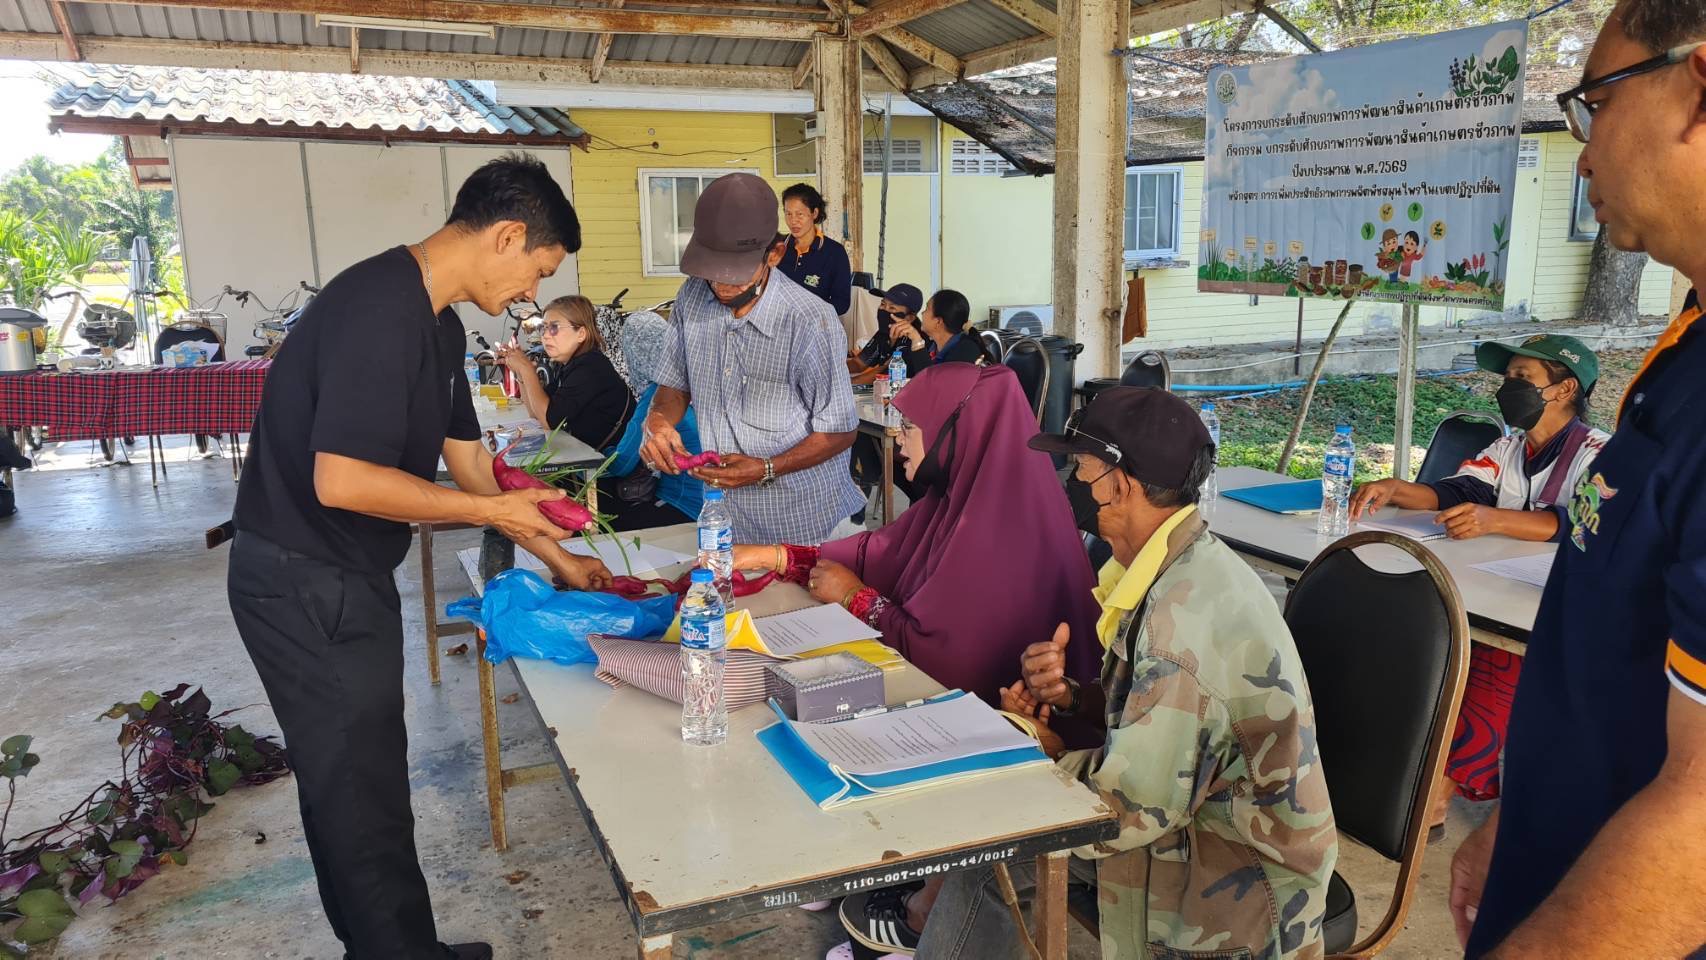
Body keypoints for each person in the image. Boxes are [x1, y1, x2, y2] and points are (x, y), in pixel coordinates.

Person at [225, 154, 612, 960]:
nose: (531, 297)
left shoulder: (434, 322)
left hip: (342, 573)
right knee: (357, 788)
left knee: (362, 776)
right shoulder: (378, 308)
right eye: (536, 272)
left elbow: (471, 463)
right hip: (302, 577)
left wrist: (562, 560)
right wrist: (489, 510)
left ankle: (398, 949)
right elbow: (344, 480)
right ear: (507, 235)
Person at [887, 387, 1337, 960]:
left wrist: (1041, 751)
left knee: (1001, 833)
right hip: (1190, 823)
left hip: (1235, 883)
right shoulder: (1175, 565)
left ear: (1119, 484)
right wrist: (1074, 699)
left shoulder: (1180, 624)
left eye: (1080, 468)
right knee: (994, 856)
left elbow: (1120, 812)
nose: (1072, 482)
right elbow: (1163, 721)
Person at [1451, 4, 1706, 957]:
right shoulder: (1683, 348)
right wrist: (1516, 831)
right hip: (1559, 861)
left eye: (1596, 102)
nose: (1585, 154)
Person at [735, 363, 1104, 959]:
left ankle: (921, 915)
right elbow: (881, 551)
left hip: (1019, 732)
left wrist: (857, 599)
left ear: (957, 433)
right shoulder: (957, 497)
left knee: (827, 703)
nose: (897, 439)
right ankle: (898, 878)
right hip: (992, 709)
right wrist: (778, 555)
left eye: (909, 426)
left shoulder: (1002, 527)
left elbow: (947, 659)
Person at [639, 173, 865, 545]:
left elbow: (840, 430)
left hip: (805, 525)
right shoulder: (692, 298)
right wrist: (658, 423)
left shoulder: (810, 320)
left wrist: (766, 468)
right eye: (713, 272)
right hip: (726, 518)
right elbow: (674, 385)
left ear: (773, 254)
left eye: (738, 275)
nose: (723, 285)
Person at [1350, 335, 1606, 544]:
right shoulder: (1506, 448)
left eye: (1523, 377)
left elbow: (1588, 522)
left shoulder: (1600, 454)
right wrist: (1396, 489)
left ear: (1565, 389)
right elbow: (1456, 493)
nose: (1509, 387)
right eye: (1508, 378)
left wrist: (1495, 519)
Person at [602, 308, 706, 530]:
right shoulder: (698, 384)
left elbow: (622, 464)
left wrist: (600, 454)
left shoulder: (659, 396)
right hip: (719, 504)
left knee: (602, 523)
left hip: (682, 507)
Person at [497, 294, 635, 451]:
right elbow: (535, 414)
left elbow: (548, 422)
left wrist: (526, 369)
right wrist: (520, 372)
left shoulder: (590, 368)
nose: (546, 335)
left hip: (607, 468)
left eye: (554, 327)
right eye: (543, 327)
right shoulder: (570, 365)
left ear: (581, 334)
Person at [779, 182, 852, 317]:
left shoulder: (834, 253)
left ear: (814, 213)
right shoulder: (777, 248)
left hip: (815, 328)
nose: (793, 221)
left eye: (799, 214)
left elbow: (841, 303)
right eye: (788, 214)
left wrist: (811, 315)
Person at [888, 289, 993, 375]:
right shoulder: (934, 347)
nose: (922, 313)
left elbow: (932, 386)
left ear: (938, 321)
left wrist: (917, 340)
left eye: (927, 309)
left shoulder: (965, 351)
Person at [847, 283, 924, 385]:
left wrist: (845, 383)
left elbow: (884, 373)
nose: (884, 310)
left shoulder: (914, 339)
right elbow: (858, 363)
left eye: (892, 308)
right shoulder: (884, 332)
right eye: (883, 304)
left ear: (909, 318)